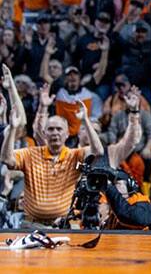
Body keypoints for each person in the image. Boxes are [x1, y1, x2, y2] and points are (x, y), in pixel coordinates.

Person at [1, 64, 103, 226]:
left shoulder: (74, 155)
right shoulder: (30, 153)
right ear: (45, 133)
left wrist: (85, 121)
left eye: (59, 129)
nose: (55, 133)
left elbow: (98, 151)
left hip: (63, 224)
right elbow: (7, 159)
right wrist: (12, 128)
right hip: (31, 224)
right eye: (51, 129)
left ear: (67, 134)